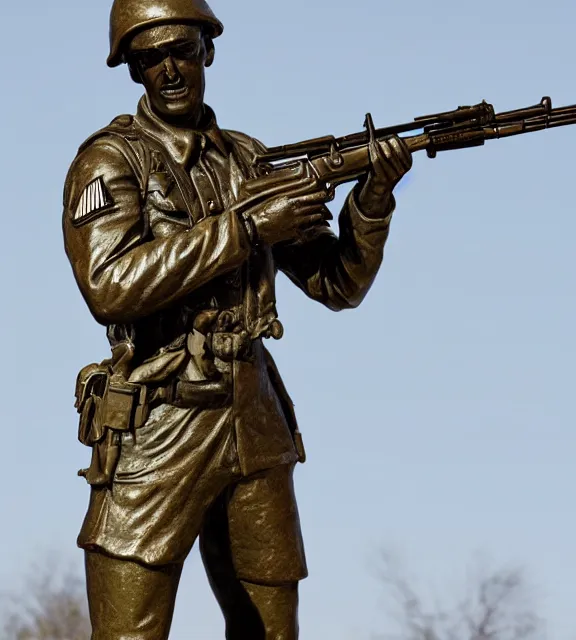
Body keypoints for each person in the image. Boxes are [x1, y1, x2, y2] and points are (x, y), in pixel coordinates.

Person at [62, 1, 413, 638]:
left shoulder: (251, 161)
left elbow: (336, 284)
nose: (170, 69)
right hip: (158, 427)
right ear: (133, 70)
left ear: (208, 52)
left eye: (183, 51)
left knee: (272, 629)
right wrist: (246, 229)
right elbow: (109, 286)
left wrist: (373, 202)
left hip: (253, 421)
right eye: (150, 58)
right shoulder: (110, 163)